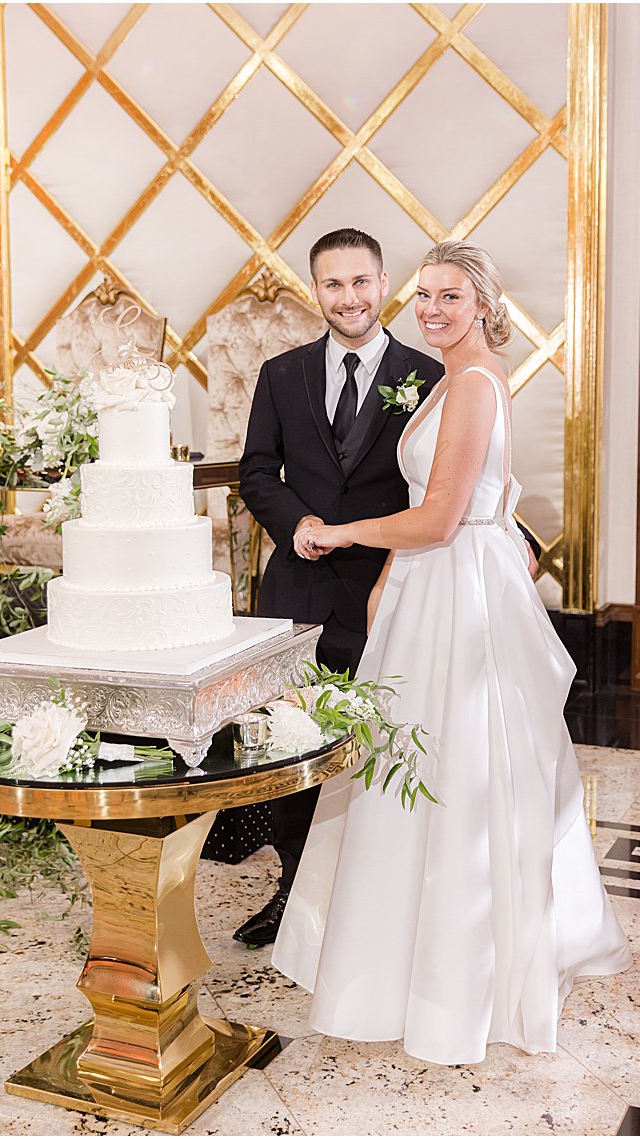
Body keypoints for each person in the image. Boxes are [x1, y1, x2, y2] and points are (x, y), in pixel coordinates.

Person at [270, 240, 630, 1065]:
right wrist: (386, 576)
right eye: (425, 295)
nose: (431, 309)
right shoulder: (448, 378)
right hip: (429, 588)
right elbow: (450, 503)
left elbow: (441, 517)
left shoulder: (472, 383)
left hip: (460, 595)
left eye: (449, 297)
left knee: (457, 770)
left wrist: (343, 532)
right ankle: (392, 952)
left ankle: (455, 970)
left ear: (482, 304)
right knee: (409, 769)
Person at [232, 228, 444, 946]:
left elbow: (445, 485)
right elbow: (257, 470)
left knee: (379, 746)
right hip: (296, 591)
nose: (348, 297)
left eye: (360, 282)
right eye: (332, 284)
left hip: (386, 587)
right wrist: (295, 523)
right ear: (314, 289)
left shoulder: (430, 374)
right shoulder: (282, 374)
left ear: (383, 283)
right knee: (293, 748)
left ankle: (376, 906)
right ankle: (291, 896)